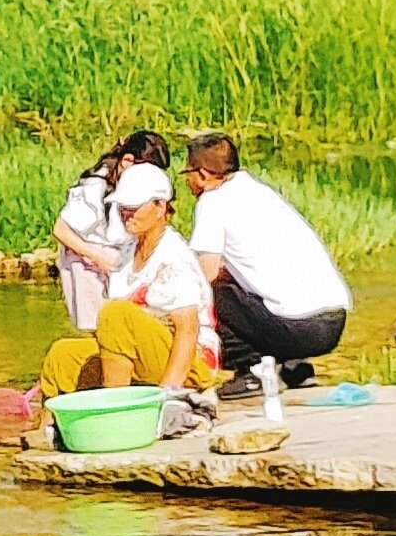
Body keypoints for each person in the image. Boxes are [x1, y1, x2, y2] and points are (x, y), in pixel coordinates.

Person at [185, 131, 351, 390]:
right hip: (333, 322)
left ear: (202, 174)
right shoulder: (260, 192)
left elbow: (203, 274)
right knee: (248, 284)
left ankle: (252, 370)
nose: (188, 183)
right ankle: (295, 367)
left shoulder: (212, 201)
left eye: (188, 174)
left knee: (207, 291)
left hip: (298, 329)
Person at [36, 166, 213, 401]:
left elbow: (188, 331)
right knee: (63, 355)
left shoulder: (174, 259)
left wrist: (168, 394)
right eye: (122, 207)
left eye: (133, 208)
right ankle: (50, 428)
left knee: (116, 313)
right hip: (142, 355)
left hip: (190, 364)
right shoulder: (126, 253)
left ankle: (116, 409)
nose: (125, 214)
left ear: (160, 207)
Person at [52, 129, 167, 332]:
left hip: (117, 261)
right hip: (89, 266)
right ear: (127, 161)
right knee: (101, 328)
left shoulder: (129, 186)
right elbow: (61, 230)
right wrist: (98, 258)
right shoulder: (94, 187)